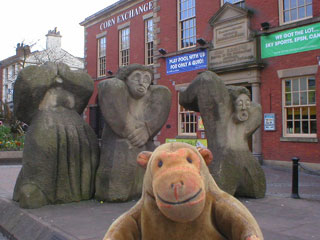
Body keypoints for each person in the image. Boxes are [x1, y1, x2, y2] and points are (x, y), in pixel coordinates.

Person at [95, 64, 171, 201]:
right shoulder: (117, 89)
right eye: (136, 78)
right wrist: (130, 130)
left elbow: (159, 110)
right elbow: (111, 98)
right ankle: (117, 194)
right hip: (119, 147)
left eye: (147, 79)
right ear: (125, 80)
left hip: (143, 145)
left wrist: (147, 129)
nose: (142, 82)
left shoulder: (153, 96)